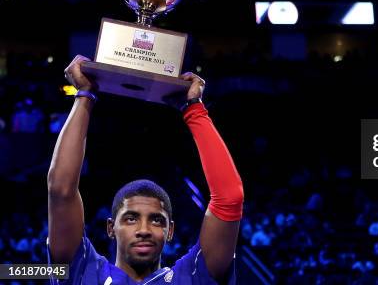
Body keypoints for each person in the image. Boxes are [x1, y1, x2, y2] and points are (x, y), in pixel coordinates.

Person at [47, 55, 244, 284]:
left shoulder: (190, 277)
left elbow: (231, 197)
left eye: (157, 220)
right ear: (111, 227)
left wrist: (194, 109)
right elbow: (61, 189)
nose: (144, 230)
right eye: (130, 219)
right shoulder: (83, 270)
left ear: (170, 231)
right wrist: (84, 95)